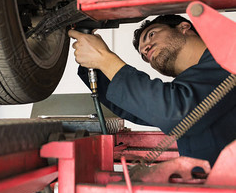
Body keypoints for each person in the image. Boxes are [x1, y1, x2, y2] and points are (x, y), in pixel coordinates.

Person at [68, 15, 236, 166]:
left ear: (184, 27)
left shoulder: (228, 59)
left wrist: (104, 59)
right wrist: (93, 65)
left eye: (151, 34)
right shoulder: (191, 86)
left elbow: (173, 111)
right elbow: (140, 109)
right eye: (143, 55)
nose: (146, 49)